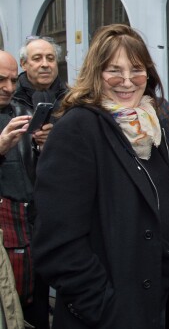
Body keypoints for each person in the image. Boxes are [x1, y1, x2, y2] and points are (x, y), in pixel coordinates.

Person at [31, 24, 169, 329]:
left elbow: (163, 202)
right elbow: (57, 245)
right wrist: (105, 308)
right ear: (95, 73)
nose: (127, 81)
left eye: (137, 70)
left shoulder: (150, 127)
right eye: (114, 70)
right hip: (111, 315)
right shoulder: (77, 129)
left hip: (159, 305)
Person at [9, 35, 67, 329]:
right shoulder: (9, 100)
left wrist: (55, 140)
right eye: (37, 59)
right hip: (21, 218)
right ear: (24, 64)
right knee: (31, 299)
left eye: (50, 58)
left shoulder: (72, 100)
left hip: (64, 211)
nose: (45, 65)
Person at [0, 49, 52, 329]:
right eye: (0, 80)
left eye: (11, 80)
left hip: (32, 228)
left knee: (36, 310)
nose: (8, 88)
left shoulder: (23, 112)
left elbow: (45, 172)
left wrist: (47, 145)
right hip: (3, 236)